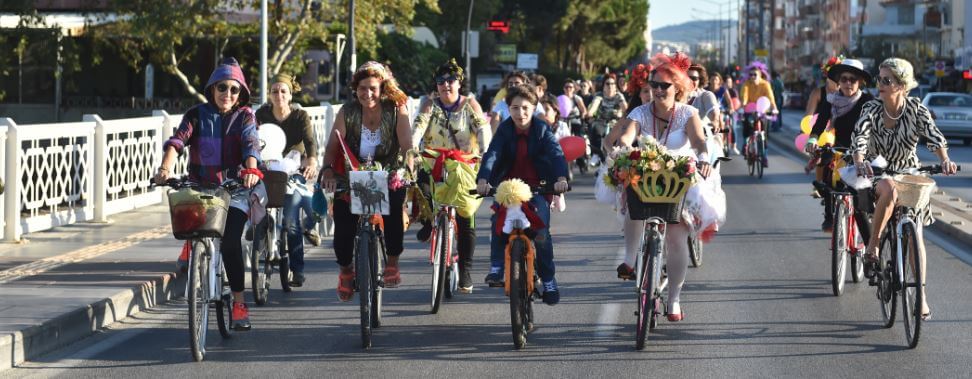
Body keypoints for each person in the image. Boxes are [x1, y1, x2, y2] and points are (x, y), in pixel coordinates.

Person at [155, 57, 264, 331]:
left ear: (241, 93)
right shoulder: (196, 114)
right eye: (222, 88)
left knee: (230, 244)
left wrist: (251, 171)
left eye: (234, 89)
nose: (227, 94)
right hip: (201, 188)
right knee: (188, 218)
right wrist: (165, 168)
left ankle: (239, 303)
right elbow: (177, 141)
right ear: (212, 89)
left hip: (234, 190)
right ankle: (191, 244)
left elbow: (251, 144)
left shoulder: (245, 116)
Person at [851, 58, 956, 321]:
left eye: (887, 80)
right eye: (879, 79)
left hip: (909, 173)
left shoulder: (915, 109)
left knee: (916, 235)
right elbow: (860, 137)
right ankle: (873, 247)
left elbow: (934, 136)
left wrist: (944, 159)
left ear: (902, 85)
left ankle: (920, 296)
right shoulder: (871, 108)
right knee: (889, 188)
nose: (880, 84)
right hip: (878, 171)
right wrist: (860, 161)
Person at [616, 52, 715, 322]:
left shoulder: (688, 113)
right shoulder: (640, 112)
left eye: (664, 85)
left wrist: (704, 159)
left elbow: (698, 142)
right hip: (647, 174)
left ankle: (673, 299)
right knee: (632, 198)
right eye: (654, 85)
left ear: (678, 87)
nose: (658, 90)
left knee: (675, 237)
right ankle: (629, 259)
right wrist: (623, 148)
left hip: (678, 178)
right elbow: (627, 134)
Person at [319, 61, 413, 302]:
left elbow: (406, 145)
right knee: (343, 227)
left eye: (373, 88)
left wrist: (408, 169)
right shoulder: (346, 111)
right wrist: (328, 171)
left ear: (382, 88)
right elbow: (331, 148)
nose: (367, 93)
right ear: (355, 89)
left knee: (393, 206)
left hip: (388, 171)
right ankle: (345, 271)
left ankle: (392, 261)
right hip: (351, 174)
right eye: (362, 88)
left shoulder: (396, 108)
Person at [476, 83, 570, 305]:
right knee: (496, 221)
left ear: (534, 108)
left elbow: (556, 154)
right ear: (508, 109)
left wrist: (561, 179)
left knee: (542, 234)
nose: (521, 113)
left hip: (539, 187)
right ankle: (497, 267)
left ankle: (548, 279)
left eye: (526, 107)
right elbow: (492, 154)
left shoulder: (542, 129)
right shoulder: (505, 130)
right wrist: (483, 179)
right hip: (507, 187)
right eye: (515, 108)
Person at [412, 58, 491, 293]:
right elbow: (418, 127)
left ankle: (465, 271)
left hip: (464, 165)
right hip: (432, 161)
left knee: (466, 216)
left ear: (459, 83)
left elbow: (483, 129)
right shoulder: (429, 104)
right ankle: (428, 221)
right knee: (420, 186)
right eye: (440, 81)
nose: (446, 85)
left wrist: (486, 153)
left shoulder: (470, 104)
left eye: (450, 80)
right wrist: (412, 148)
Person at [255, 73, 319, 287]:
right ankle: (256, 231)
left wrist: (311, 161)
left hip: (293, 171)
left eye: (283, 91)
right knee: (253, 200)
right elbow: (251, 137)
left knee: (291, 223)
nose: (279, 95)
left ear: (290, 95)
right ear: (269, 94)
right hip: (268, 169)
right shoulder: (261, 114)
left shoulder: (300, 116)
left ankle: (297, 269)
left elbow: (310, 141)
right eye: (275, 91)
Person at [803, 59, 874, 232]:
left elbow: (877, 127)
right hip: (841, 147)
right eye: (844, 79)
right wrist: (813, 139)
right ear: (838, 82)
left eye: (853, 79)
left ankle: (872, 250)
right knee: (828, 170)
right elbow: (820, 123)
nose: (848, 83)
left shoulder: (869, 101)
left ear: (860, 82)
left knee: (861, 201)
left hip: (864, 151)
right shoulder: (831, 100)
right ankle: (829, 215)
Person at [739, 61, 778, 166]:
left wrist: (774, 108)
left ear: (760, 75)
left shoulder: (765, 84)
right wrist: (743, 106)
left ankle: (764, 156)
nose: (752, 76)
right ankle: (745, 144)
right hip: (750, 109)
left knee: (764, 134)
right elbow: (744, 96)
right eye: (750, 74)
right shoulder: (747, 84)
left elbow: (771, 97)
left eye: (755, 74)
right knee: (747, 127)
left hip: (762, 110)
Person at [586, 73, 628, 167]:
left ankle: (621, 157)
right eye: (607, 84)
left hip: (615, 122)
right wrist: (590, 112)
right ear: (603, 85)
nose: (610, 86)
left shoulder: (618, 95)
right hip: (602, 121)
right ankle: (596, 154)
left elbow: (625, 108)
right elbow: (594, 104)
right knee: (594, 127)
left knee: (622, 135)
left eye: (612, 84)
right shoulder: (599, 95)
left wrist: (623, 112)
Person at [686, 64, 723, 138]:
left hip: (701, 140)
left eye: (694, 78)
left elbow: (713, 113)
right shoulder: (675, 96)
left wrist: (714, 122)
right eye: (687, 77)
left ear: (700, 80)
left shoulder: (705, 95)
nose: (690, 81)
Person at [709, 72, 738, 155]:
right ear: (709, 80)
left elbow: (729, 101)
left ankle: (721, 139)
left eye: (716, 79)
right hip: (709, 111)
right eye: (712, 79)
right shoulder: (706, 89)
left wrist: (731, 108)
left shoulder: (723, 89)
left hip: (720, 110)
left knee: (721, 118)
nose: (714, 81)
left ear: (719, 81)